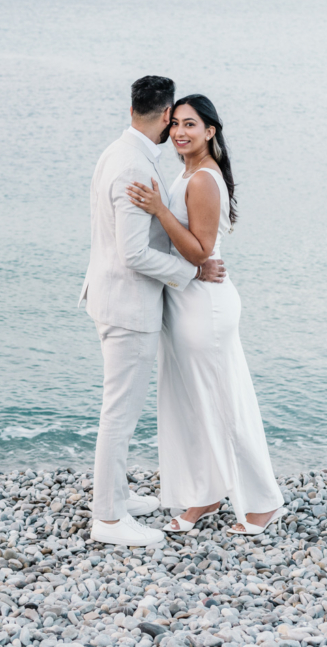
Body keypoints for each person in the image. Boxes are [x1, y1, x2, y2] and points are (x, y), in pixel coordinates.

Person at [126, 94, 285, 536]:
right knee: (190, 407)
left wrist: (157, 209)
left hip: (204, 307)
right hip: (184, 301)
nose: (179, 131)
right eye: (175, 123)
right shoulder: (187, 173)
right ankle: (204, 495)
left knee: (222, 405)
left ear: (210, 131)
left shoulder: (202, 180)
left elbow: (198, 250)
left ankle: (262, 502)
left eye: (190, 124)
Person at [80, 76, 227, 547]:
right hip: (128, 304)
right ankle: (106, 518)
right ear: (166, 117)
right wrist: (192, 272)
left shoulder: (117, 152)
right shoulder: (133, 166)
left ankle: (116, 496)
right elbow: (134, 254)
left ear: (133, 109)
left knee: (119, 409)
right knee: (119, 413)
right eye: (176, 120)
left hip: (112, 296)